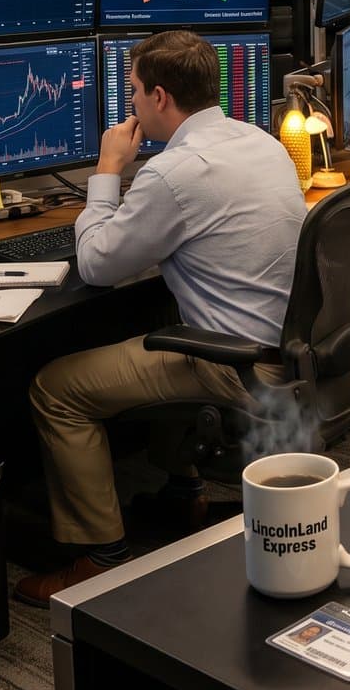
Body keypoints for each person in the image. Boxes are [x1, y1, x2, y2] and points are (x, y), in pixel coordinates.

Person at [15, 30, 306, 605]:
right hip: (289, 346)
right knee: (167, 314)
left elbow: (97, 263)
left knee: (55, 389)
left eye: (132, 95)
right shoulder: (261, 141)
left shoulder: (174, 174)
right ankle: (183, 490)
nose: (130, 107)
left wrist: (107, 169)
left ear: (160, 97)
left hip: (235, 362)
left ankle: (99, 558)